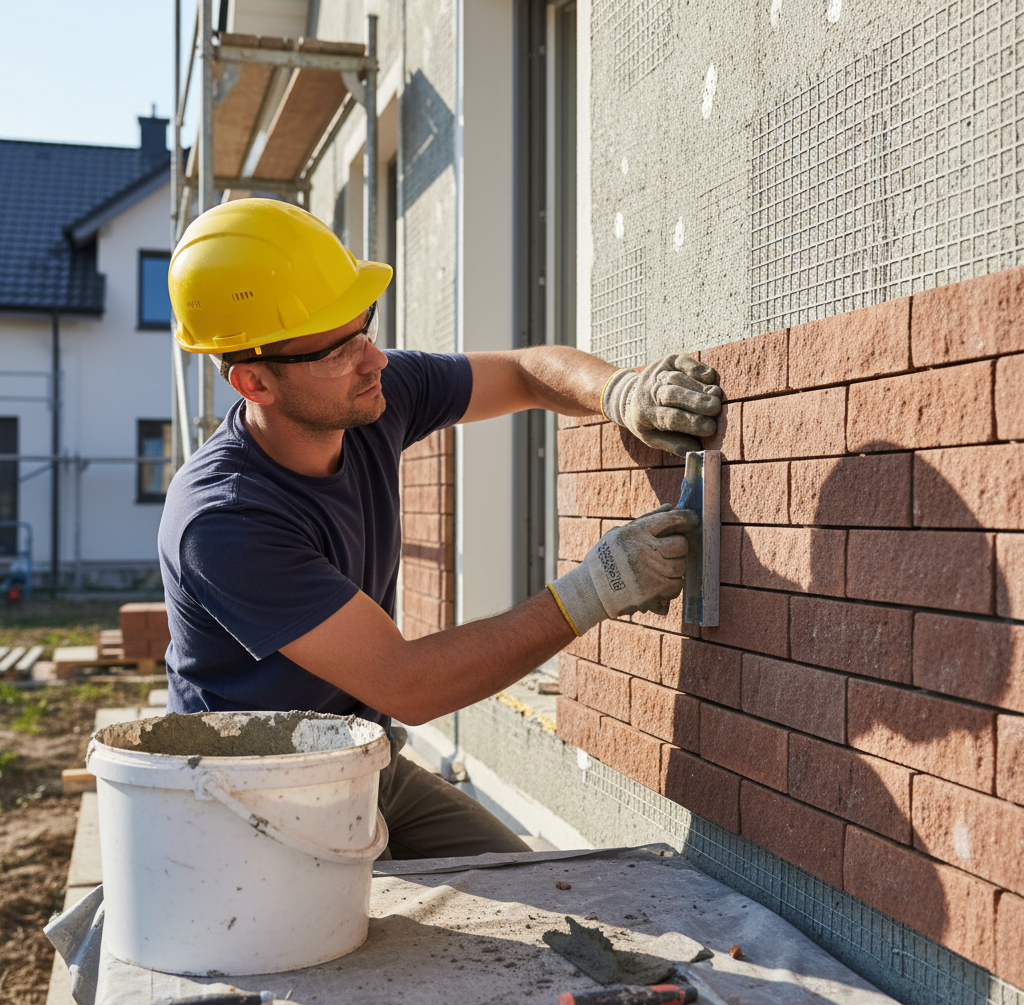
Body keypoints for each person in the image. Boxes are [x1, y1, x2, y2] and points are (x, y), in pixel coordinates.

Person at [160, 198, 724, 859]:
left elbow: (522, 372)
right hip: (245, 801)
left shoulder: (365, 395)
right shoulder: (225, 522)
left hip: (360, 765)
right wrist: (596, 589)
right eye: (339, 349)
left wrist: (621, 392)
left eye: (364, 327)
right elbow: (408, 684)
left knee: (528, 884)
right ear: (255, 382)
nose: (373, 360)